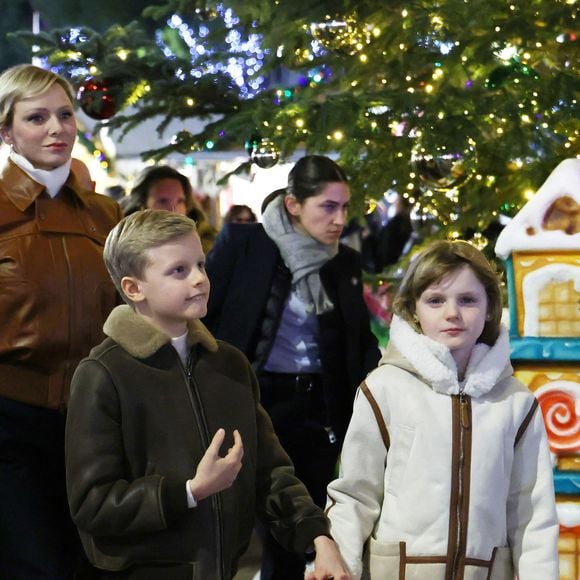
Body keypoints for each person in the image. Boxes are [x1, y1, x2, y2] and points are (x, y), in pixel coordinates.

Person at [65, 209, 351, 580]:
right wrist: (188, 491)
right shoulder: (103, 374)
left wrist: (317, 538)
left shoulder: (228, 364)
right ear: (134, 288)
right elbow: (92, 503)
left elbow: (269, 471)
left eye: (200, 264)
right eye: (179, 270)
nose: (200, 279)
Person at [317, 240, 559, 579]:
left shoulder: (516, 404)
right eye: (435, 300)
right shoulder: (384, 389)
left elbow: (532, 515)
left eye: (468, 300)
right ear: (414, 309)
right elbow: (355, 496)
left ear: (489, 307)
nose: (452, 313)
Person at [204, 155, 381, 579]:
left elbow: (358, 344)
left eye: (344, 207)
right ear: (293, 204)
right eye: (327, 206)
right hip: (251, 399)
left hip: (316, 410)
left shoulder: (343, 263)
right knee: (228, 522)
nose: (339, 219)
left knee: (298, 527)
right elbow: (205, 316)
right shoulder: (247, 245)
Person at [0, 64, 122, 579]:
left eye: (65, 114)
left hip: (93, 423)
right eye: (36, 117)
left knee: (89, 564)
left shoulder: (105, 214)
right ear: (7, 131)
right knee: (35, 567)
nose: (56, 128)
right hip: (11, 423)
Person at [120, 164, 217, 254]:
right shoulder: (125, 246)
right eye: (163, 201)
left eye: (180, 201)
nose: (174, 210)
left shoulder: (208, 243)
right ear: (142, 204)